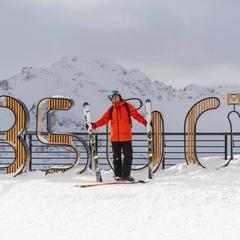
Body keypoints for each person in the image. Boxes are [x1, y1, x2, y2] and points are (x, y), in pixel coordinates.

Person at [89, 90, 147, 181]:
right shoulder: (111, 109)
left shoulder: (128, 106)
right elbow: (103, 120)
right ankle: (118, 175)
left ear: (119, 96)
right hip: (115, 137)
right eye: (112, 98)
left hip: (126, 136)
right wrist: (94, 125)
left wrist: (145, 122)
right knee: (116, 158)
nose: (114, 99)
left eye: (115, 97)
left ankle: (126, 175)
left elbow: (136, 115)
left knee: (128, 157)